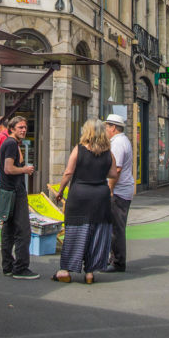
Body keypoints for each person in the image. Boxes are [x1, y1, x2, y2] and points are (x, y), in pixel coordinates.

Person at [53, 119, 119, 284]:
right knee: (96, 233)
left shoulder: (79, 149)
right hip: (100, 197)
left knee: (76, 232)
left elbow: (68, 173)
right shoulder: (108, 152)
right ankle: (89, 272)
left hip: (80, 196)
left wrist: (60, 191)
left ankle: (65, 271)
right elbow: (113, 174)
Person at [0, 116, 38, 279]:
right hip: (14, 192)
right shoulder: (11, 144)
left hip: (8, 191)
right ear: (12, 129)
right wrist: (25, 170)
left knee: (9, 230)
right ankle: (20, 267)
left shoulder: (10, 144)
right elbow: (8, 169)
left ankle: (8, 265)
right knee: (23, 230)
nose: (23, 130)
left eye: (25, 127)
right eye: (20, 127)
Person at [104, 113, 134, 272]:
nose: (106, 130)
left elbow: (116, 169)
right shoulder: (123, 141)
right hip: (123, 189)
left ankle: (117, 262)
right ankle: (114, 259)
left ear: (113, 128)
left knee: (116, 228)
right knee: (116, 227)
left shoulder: (117, 143)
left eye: (107, 127)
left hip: (119, 191)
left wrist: (109, 189)